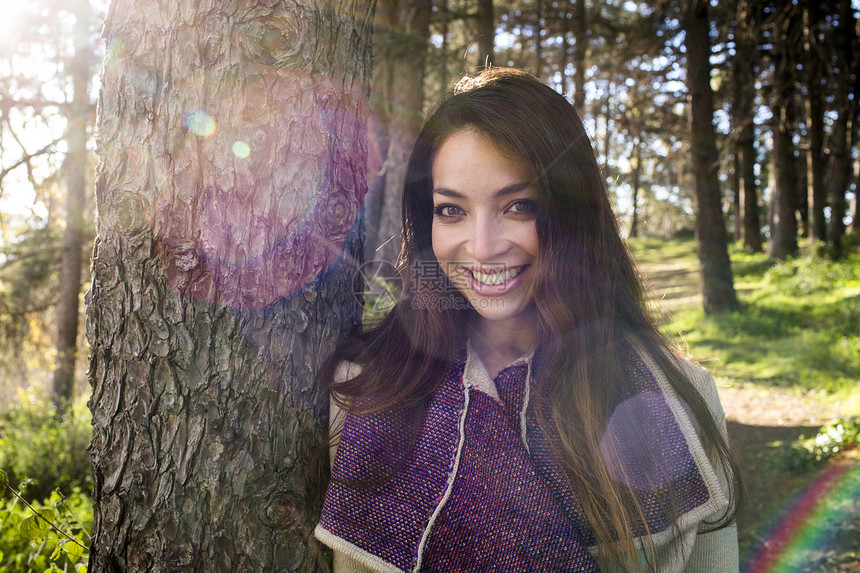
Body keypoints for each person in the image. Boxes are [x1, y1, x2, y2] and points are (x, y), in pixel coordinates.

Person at [314, 67, 742, 572]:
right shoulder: (363, 389)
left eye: (519, 206)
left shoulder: (676, 399)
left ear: (573, 213)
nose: (482, 247)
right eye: (451, 211)